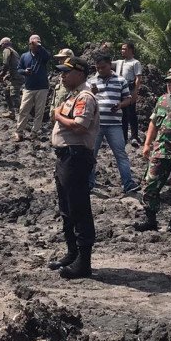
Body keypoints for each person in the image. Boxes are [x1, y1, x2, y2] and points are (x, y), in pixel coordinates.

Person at [49, 56, 99, 279]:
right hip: (65, 156)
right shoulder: (73, 96)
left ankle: (83, 262)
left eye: (67, 72)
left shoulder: (85, 97)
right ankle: (73, 253)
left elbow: (79, 127)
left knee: (78, 208)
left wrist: (58, 115)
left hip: (76, 156)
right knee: (66, 208)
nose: (63, 75)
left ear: (80, 73)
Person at [134, 65, 171, 233]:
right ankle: (151, 219)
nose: (170, 85)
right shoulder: (162, 100)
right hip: (160, 149)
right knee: (149, 184)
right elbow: (153, 122)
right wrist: (147, 143)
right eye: (168, 82)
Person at [88, 53, 139, 194]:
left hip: (114, 124)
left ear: (110, 65)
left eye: (103, 67)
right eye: (98, 68)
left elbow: (128, 99)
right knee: (91, 155)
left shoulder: (121, 80)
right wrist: (91, 93)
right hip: (96, 124)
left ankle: (128, 183)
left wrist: (120, 105)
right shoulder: (91, 81)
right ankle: (89, 182)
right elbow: (85, 100)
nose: (100, 70)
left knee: (121, 154)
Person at [15, 34, 52, 141]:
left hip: (42, 87)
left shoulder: (43, 55)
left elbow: (47, 57)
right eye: (33, 43)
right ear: (29, 44)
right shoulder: (24, 56)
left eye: (38, 43)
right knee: (23, 110)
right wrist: (25, 71)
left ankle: (34, 132)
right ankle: (19, 131)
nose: (35, 45)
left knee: (39, 112)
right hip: (29, 87)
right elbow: (19, 69)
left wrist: (39, 46)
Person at [114, 41, 143, 146]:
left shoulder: (135, 62)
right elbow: (106, 63)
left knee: (131, 113)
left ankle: (134, 136)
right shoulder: (119, 62)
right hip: (119, 90)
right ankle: (124, 137)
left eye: (125, 49)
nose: (122, 51)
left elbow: (138, 78)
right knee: (122, 114)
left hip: (129, 89)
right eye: (122, 49)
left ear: (131, 50)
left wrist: (135, 92)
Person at [0, 37, 23, 120]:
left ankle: (21, 116)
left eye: (1, 45)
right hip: (17, 75)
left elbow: (6, 64)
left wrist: (2, 74)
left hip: (16, 77)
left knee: (14, 95)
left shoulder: (7, 50)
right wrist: (8, 75)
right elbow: (15, 65)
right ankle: (11, 112)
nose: (1, 48)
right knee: (7, 92)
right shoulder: (14, 52)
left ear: (4, 44)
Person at [49, 49, 75, 120]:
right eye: (59, 59)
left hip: (65, 117)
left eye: (62, 58)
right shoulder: (61, 75)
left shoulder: (74, 77)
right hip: (57, 115)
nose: (59, 61)